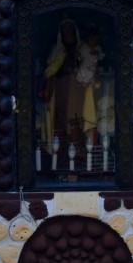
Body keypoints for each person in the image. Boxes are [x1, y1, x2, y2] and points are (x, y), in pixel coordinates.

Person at [38, 18, 97, 168]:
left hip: (77, 89)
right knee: (59, 123)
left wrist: (79, 78)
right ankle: (60, 161)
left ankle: (77, 160)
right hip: (59, 91)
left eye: (70, 29)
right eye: (65, 30)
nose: (68, 32)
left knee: (74, 121)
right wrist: (46, 89)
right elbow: (50, 72)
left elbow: (90, 67)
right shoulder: (56, 50)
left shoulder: (82, 48)